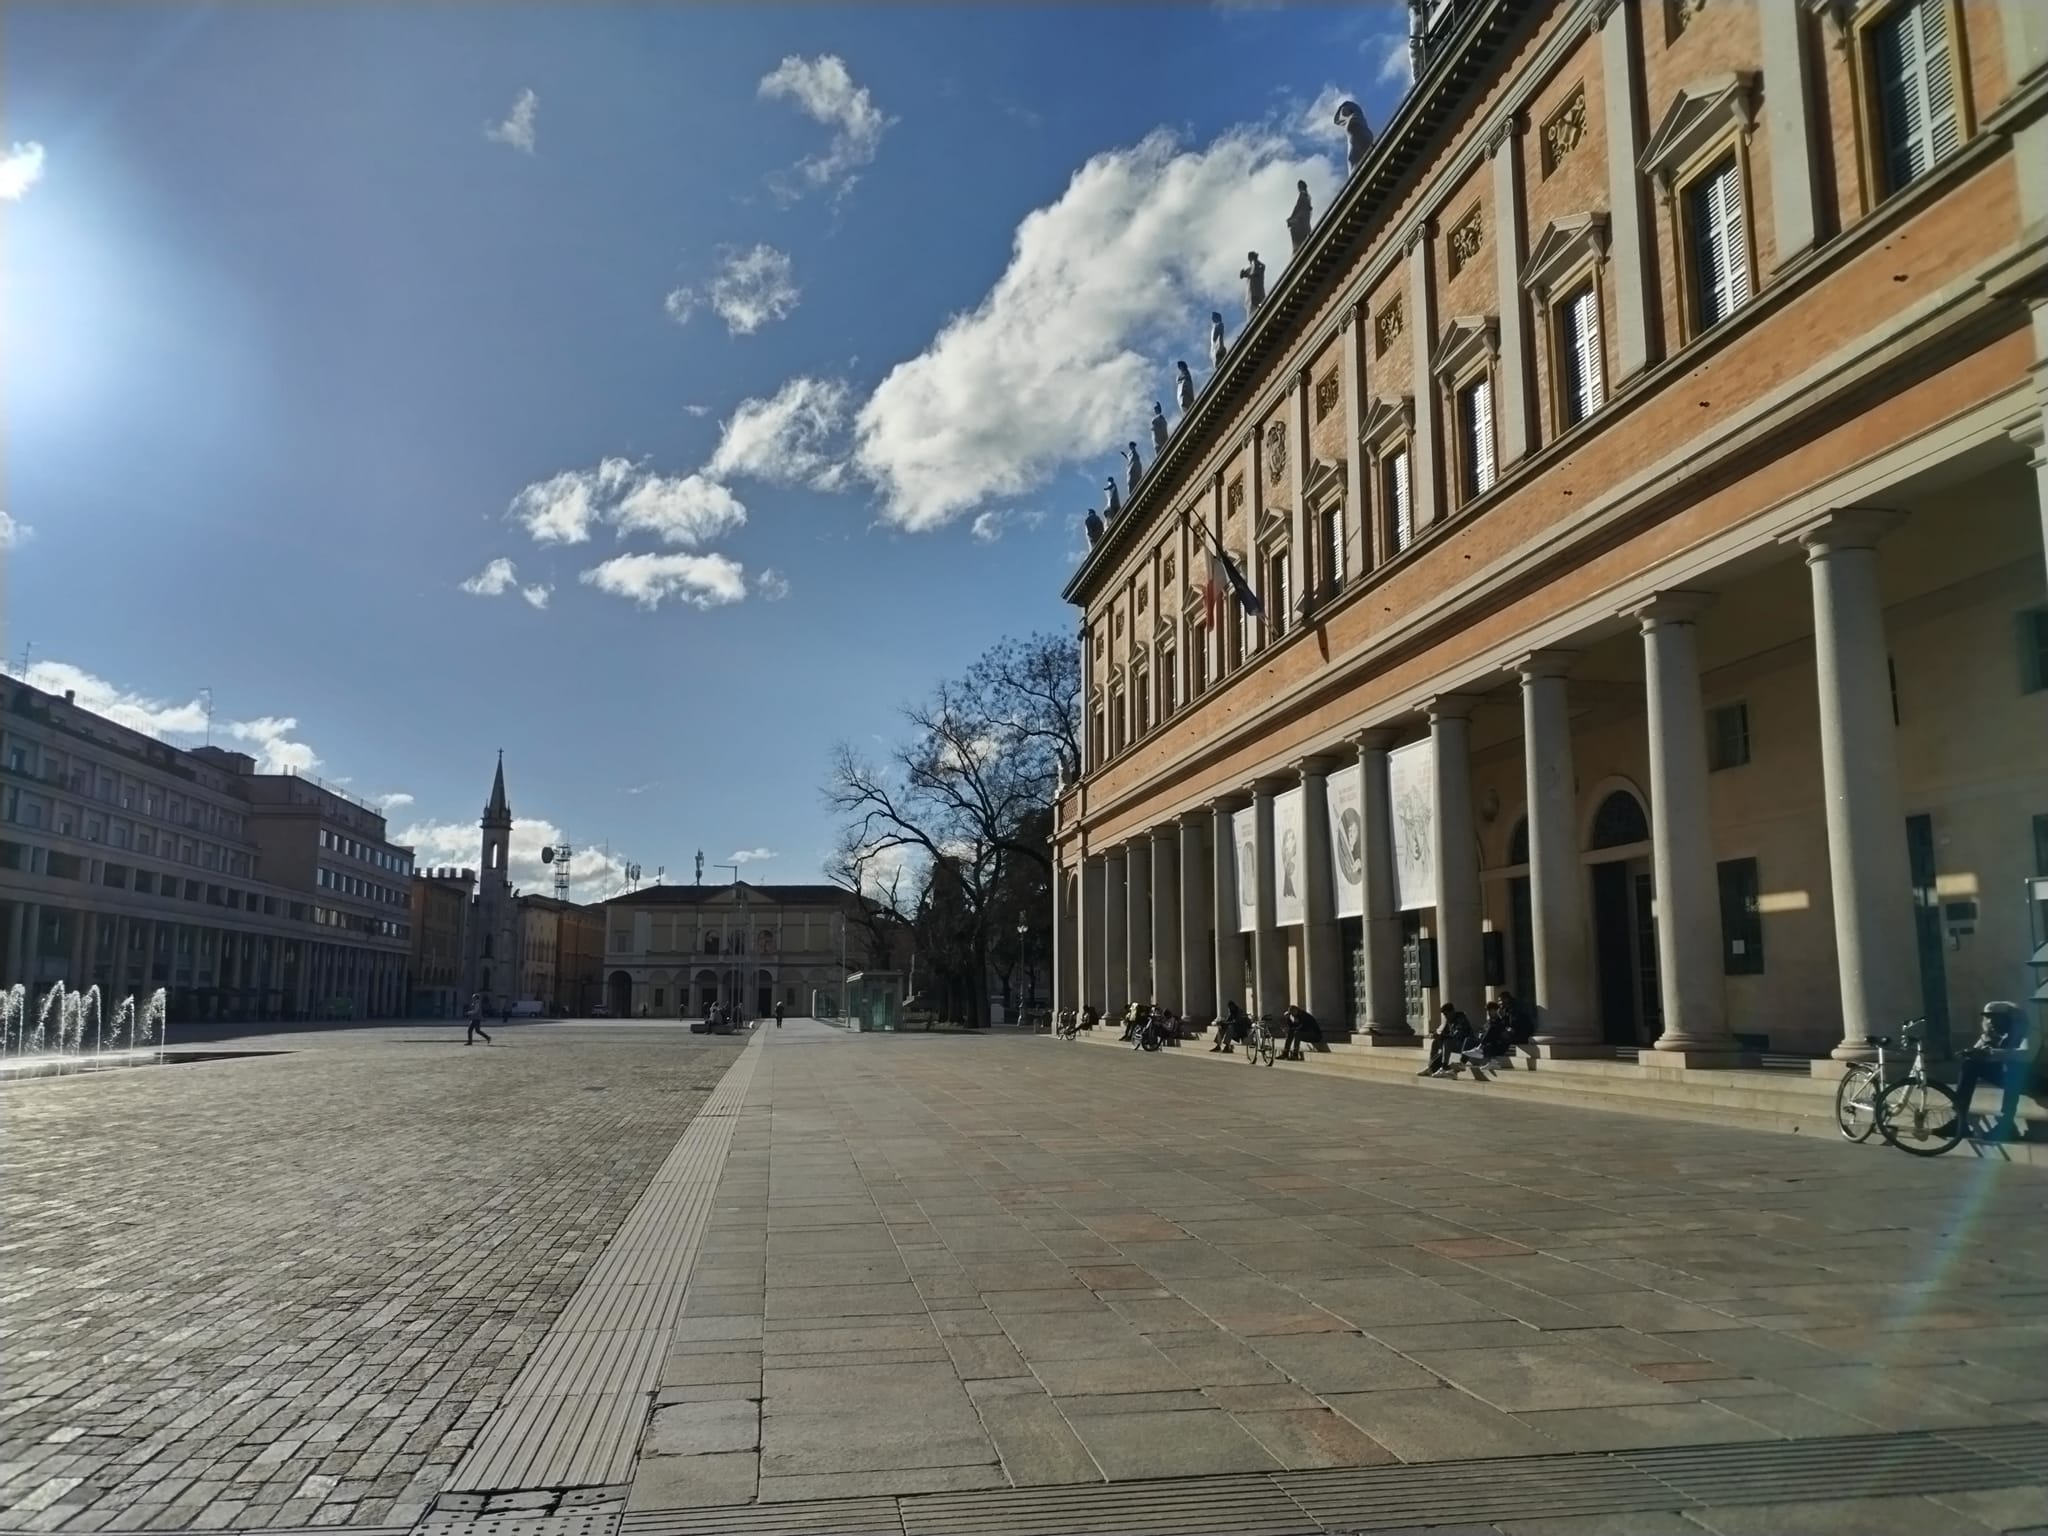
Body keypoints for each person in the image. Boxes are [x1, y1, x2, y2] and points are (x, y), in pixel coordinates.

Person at [1946, 1002, 2036, 1140]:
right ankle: (1959, 1120)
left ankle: (2007, 1124)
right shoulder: (1992, 1033)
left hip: (2037, 1078)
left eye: (1996, 1018)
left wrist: (1991, 1052)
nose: (1991, 1022)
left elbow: (2027, 1055)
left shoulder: (2029, 1032)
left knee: (2014, 1068)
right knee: (1970, 1064)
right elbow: (1979, 1051)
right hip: (2011, 1077)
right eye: (1989, 1018)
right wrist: (1972, 1053)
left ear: (2008, 1019)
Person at [1419, 1003, 1475, 1076]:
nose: (1446, 1016)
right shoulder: (1449, 1020)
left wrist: (1442, 1037)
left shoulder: (1461, 1019)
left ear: (1452, 1012)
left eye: (1446, 1014)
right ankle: (1430, 1066)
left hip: (1464, 1044)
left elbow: (1457, 1035)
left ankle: (1444, 1067)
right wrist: (1435, 1035)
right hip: (1455, 1043)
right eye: (1444, 1015)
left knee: (1447, 1042)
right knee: (1436, 1042)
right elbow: (1442, 1032)